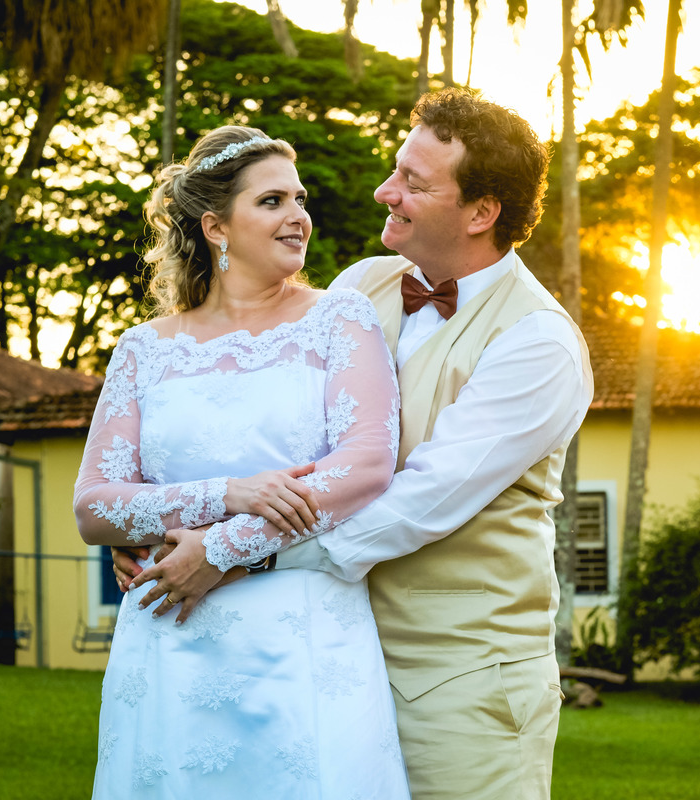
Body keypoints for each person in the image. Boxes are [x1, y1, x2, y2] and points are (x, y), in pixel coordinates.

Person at [122, 88, 593, 799]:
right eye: (396, 169)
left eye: (414, 183)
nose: (386, 191)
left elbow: (417, 502)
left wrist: (229, 554)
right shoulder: (361, 287)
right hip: (329, 656)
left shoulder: (539, 343)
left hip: (461, 679)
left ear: (481, 213)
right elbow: (265, 424)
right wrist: (166, 525)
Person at [73, 125, 410, 798]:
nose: (298, 217)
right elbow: (95, 506)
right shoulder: (143, 349)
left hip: (301, 637)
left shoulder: (339, 319)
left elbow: (367, 465)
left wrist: (222, 547)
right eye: (273, 201)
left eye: (300, 198)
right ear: (215, 226)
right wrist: (229, 493)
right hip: (170, 635)